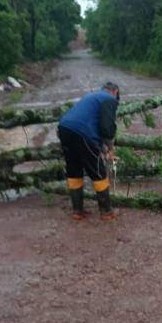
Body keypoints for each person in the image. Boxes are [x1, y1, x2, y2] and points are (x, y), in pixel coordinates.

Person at [57, 82, 120, 221]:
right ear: (115, 92)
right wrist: (109, 148)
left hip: (64, 129)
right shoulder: (109, 99)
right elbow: (107, 128)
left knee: (74, 169)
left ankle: (77, 211)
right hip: (82, 133)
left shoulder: (92, 97)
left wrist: (102, 147)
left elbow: (94, 124)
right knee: (98, 171)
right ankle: (107, 212)